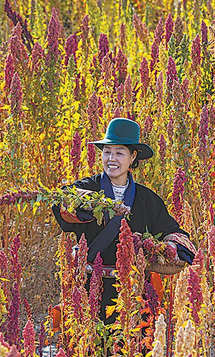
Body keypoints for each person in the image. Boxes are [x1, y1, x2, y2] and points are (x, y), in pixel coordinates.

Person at [52, 117, 198, 324]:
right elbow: (62, 200)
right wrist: (98, 204)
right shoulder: (88, 187)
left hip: (133, 294)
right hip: (88, 289)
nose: (111, 159)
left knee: (132, 341)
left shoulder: (147, 199)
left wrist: (168, 248)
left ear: (133, 157)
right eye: (107, 152)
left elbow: (175, 233)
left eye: (119, 153)